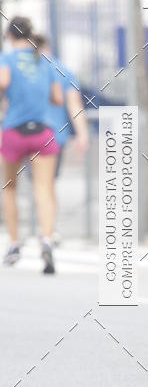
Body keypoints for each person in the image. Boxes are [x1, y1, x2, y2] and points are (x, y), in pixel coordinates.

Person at [0, 17, 63, 273]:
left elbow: (3, 82)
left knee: (10, 188)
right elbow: (58, 98)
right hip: (42, 132)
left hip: (14, 131)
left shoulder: (7, 60)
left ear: (8, 36)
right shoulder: (44, 60)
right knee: (44, 190)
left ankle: (15, 243)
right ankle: (46, 240)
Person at [40, 37, 90, 242]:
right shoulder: (63, 70)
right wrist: (82, 134)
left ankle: (41, 229)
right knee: (48, 184)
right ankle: (49, 230)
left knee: (36, 184)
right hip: (54, 137)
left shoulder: (22, 68)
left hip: (23, 133)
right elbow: (74, 105)